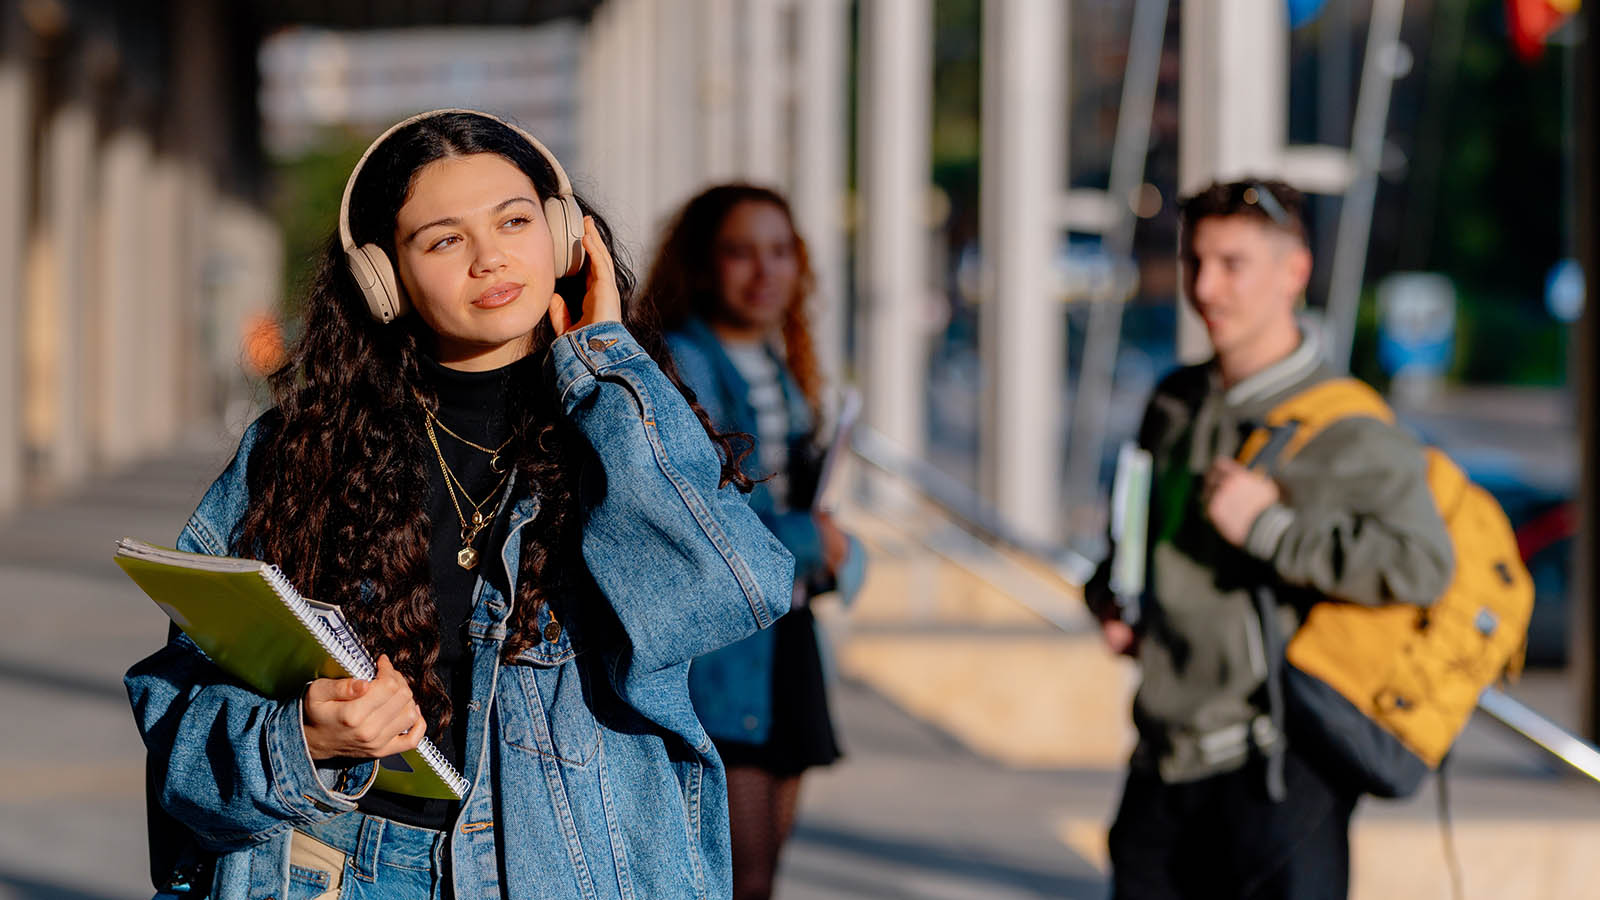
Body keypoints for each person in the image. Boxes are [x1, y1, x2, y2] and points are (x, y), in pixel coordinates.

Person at [124, 109, 796, 900]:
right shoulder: (294, 453)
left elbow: (729, 593)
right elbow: (178, 713)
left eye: (515, 221)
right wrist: (301, 737)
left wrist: (607, 367)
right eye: (444, 239)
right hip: (332, 866)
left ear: (566, 236)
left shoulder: (618, 426)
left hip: (560, 872)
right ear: (384, 280)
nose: (490, 258)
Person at [1084, 179, 1455, 899]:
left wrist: (1270, 529)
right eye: (1195, 261)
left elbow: (1422, 563)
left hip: (1278, 775)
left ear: (1295, 272)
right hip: (1162, 765)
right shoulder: (1174, 400)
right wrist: (1109, 594)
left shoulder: (1347, 426)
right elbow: (1136, 544)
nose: (1206, 287)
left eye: (1232, 264)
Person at [642, 184, 866, 900]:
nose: (764, 272)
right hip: (722, 655)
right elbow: (686, 517)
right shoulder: (684, 362)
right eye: (740, 252)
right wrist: (806, 540)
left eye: (780, 252)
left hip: (783, 635)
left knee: (761, 877)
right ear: (702, 265)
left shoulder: (780, 364)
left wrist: (832, 551)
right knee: (738, 877)